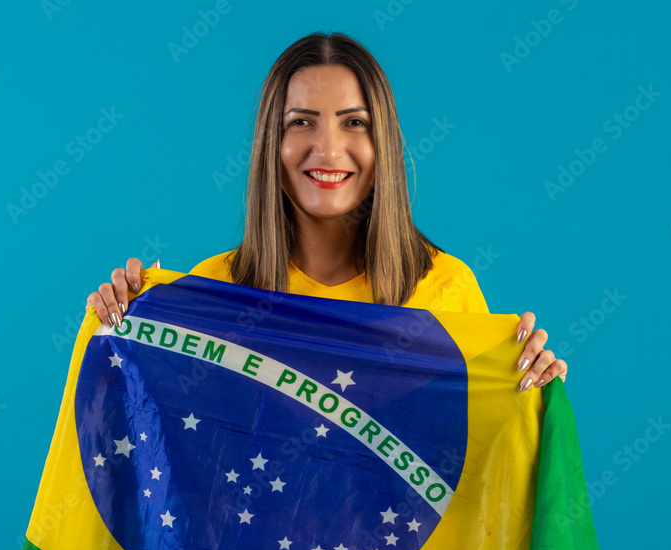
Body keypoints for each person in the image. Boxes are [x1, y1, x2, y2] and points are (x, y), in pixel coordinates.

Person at [86, 31, 566, 392]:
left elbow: (476, 461)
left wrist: (530, 395)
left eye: (354, 122)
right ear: (271, 146)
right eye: (301, 122)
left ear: (383, 146)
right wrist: (123, 325)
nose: (329, 150)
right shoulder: (211, 292)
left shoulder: (448, 291)